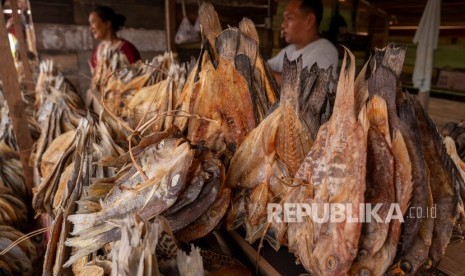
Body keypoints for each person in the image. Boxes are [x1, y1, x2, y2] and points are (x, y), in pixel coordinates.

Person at [268, 0, 338, 87]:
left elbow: (304, 87)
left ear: (309, 20)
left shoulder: (325, 50)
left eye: (289, 18)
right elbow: (265, 67)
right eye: (284, 19)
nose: (283, 24)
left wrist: (264, 75)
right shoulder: (290, 50)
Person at [88, 5, 141, 73]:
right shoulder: (97, 52)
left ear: (108, 24)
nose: (90, 27)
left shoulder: (127, 49)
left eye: (93, 22)